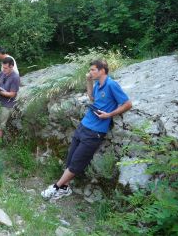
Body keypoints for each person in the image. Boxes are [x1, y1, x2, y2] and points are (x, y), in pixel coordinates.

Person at [41, 60, 132, 200]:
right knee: (70, 160)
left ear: (102, 70)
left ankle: (56, 187)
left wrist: (109, 114)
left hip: (95, 132)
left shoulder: (111, 84)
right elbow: (91, 97)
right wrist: (88, 81)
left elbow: (128, 103)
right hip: (84, 125)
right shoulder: (98, 84)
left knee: (76, 163)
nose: (90, 72)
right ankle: (65, 188)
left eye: (93, 70)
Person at [0, 57, 20, 139]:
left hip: (7, 105)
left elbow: (12, 94)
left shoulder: (15, 78)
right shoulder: (1, 73)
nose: (3, 69)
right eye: (3, 67)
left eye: (5, 68)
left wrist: (0, 92)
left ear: (11, 67)